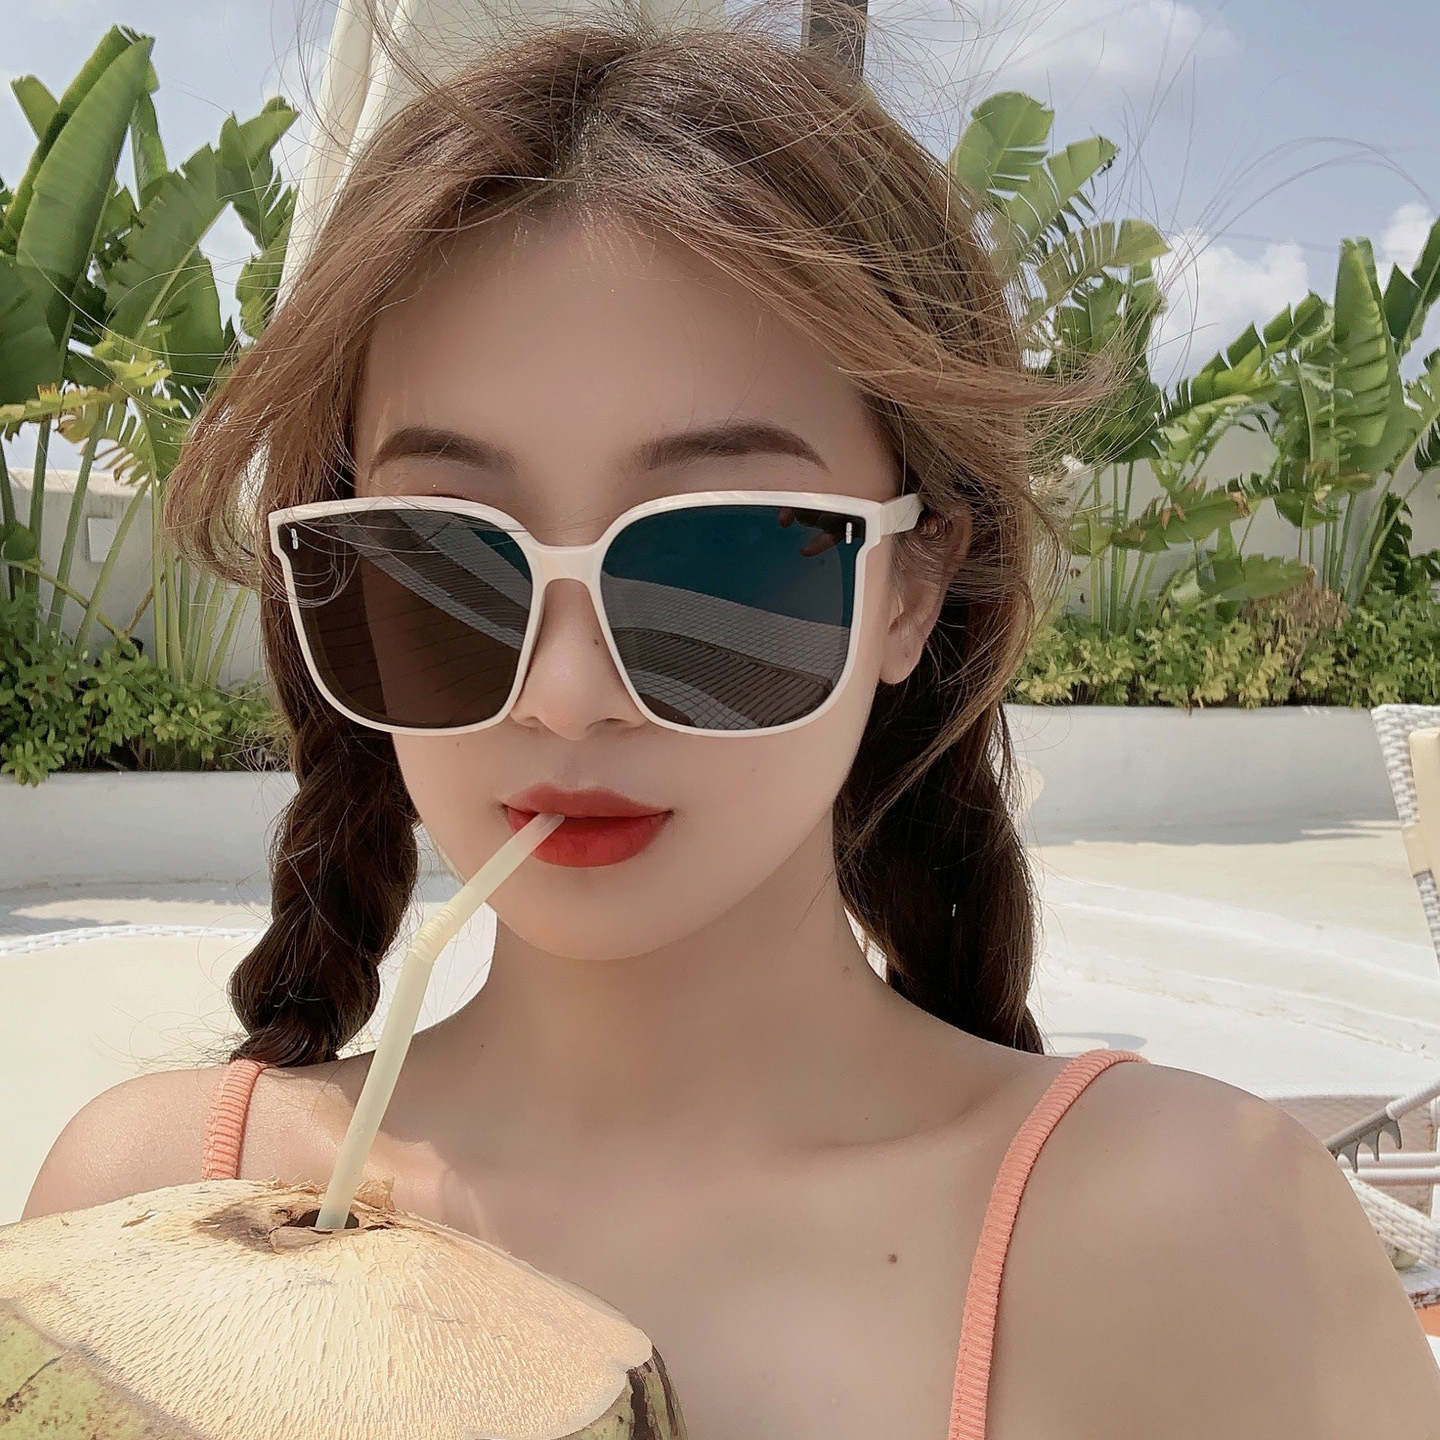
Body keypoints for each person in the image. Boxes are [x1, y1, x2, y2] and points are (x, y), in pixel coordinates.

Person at [22, 7, 1440, 1436]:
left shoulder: (1199, 1249)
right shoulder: (142, 1209)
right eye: (448, 559)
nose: (567, 693)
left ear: (911, 584)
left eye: (717, 555)